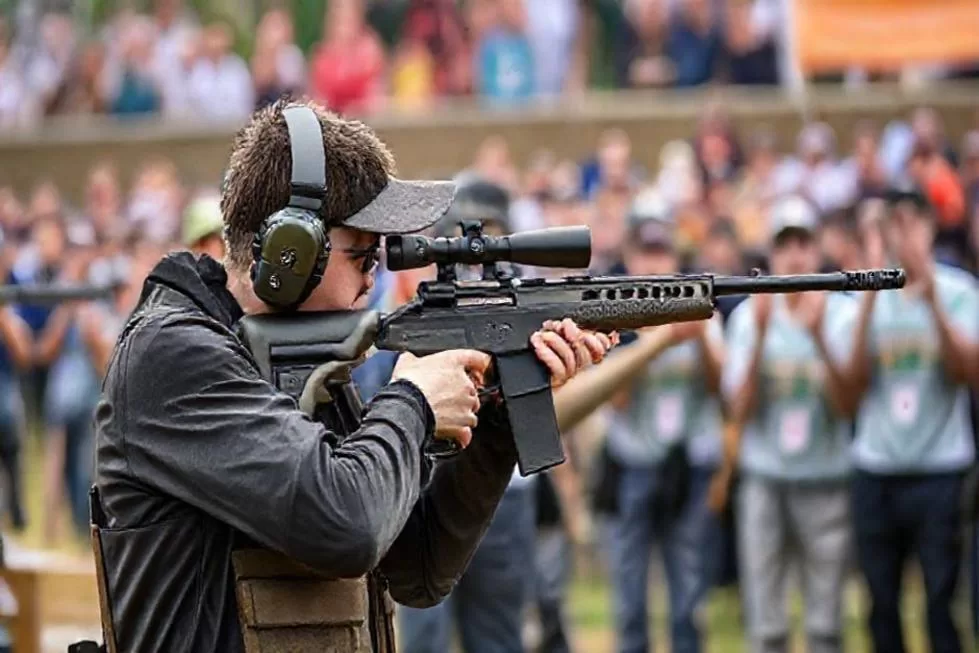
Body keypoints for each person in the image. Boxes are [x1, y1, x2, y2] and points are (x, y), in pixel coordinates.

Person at [91, 98, 614, 653]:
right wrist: (412, 400)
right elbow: (346, 525)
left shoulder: (305, 373)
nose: (373, 282)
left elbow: (418, 567)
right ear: (291, 253)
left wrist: (498, 417)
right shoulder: (173, 356)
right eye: (363, 257)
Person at [397, 176, 544, 653]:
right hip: (418, 499)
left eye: (491, 240)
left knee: (499, 636)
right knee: (424, 638)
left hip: (507, 499)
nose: (478, 258)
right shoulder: (413, 316)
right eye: (463, 241)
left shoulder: (531, 310)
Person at [722, 196, 859, 653]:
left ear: (817, 249)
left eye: (804, 241)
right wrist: (760, 337)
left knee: (825, 624)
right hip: (765, 480)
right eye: (786, 243)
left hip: (826, 480)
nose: (796, 253)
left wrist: (819, 338)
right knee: (767, 625)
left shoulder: (841, 314)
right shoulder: (748, 318)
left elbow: (848, 407)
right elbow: (738, 412)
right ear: (773, 253)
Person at [846, 188, 978, 653]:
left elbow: (969, 372)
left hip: (940, 470)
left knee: (941, 603)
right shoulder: (864, 298)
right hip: (876, 470)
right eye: (892, 225)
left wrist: (933, 299)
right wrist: (867, 296)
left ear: (930, 227)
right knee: (881, 604)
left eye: (911, 223)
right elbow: (849, 388)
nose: (903, 235)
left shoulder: (961, 290)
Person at [604, 192, 725, 653]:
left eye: (662, 251)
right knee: (630, 589)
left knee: (687, 588)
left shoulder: (697, 307)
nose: (654, 262)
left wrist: (699, 340)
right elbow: (614, 401)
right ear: (631, 257)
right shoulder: (614, 313)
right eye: (646, 251)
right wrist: (648, 340)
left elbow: (723, 391)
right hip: (633, 460)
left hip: (690, 462)